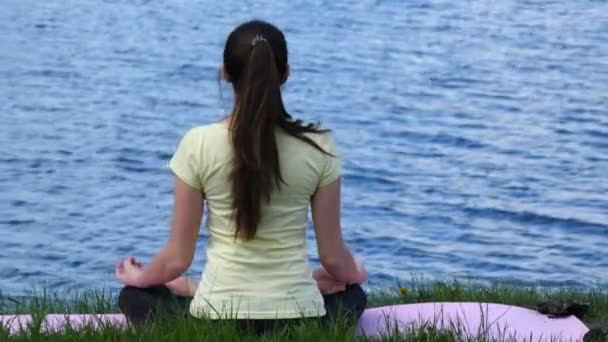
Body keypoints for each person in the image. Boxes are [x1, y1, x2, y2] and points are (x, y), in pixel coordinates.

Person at [114, 19, 368, 335]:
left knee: (134, 296)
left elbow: (176, 258)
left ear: (225, 73)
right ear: (285, 75)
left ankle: (196, 289)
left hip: (216, 322)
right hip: (300, 322)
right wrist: (354, 272)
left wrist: (140, 278)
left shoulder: (198, 143)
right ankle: (202, 288)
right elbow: (333, 257)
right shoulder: (318, 144)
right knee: (352, 294)